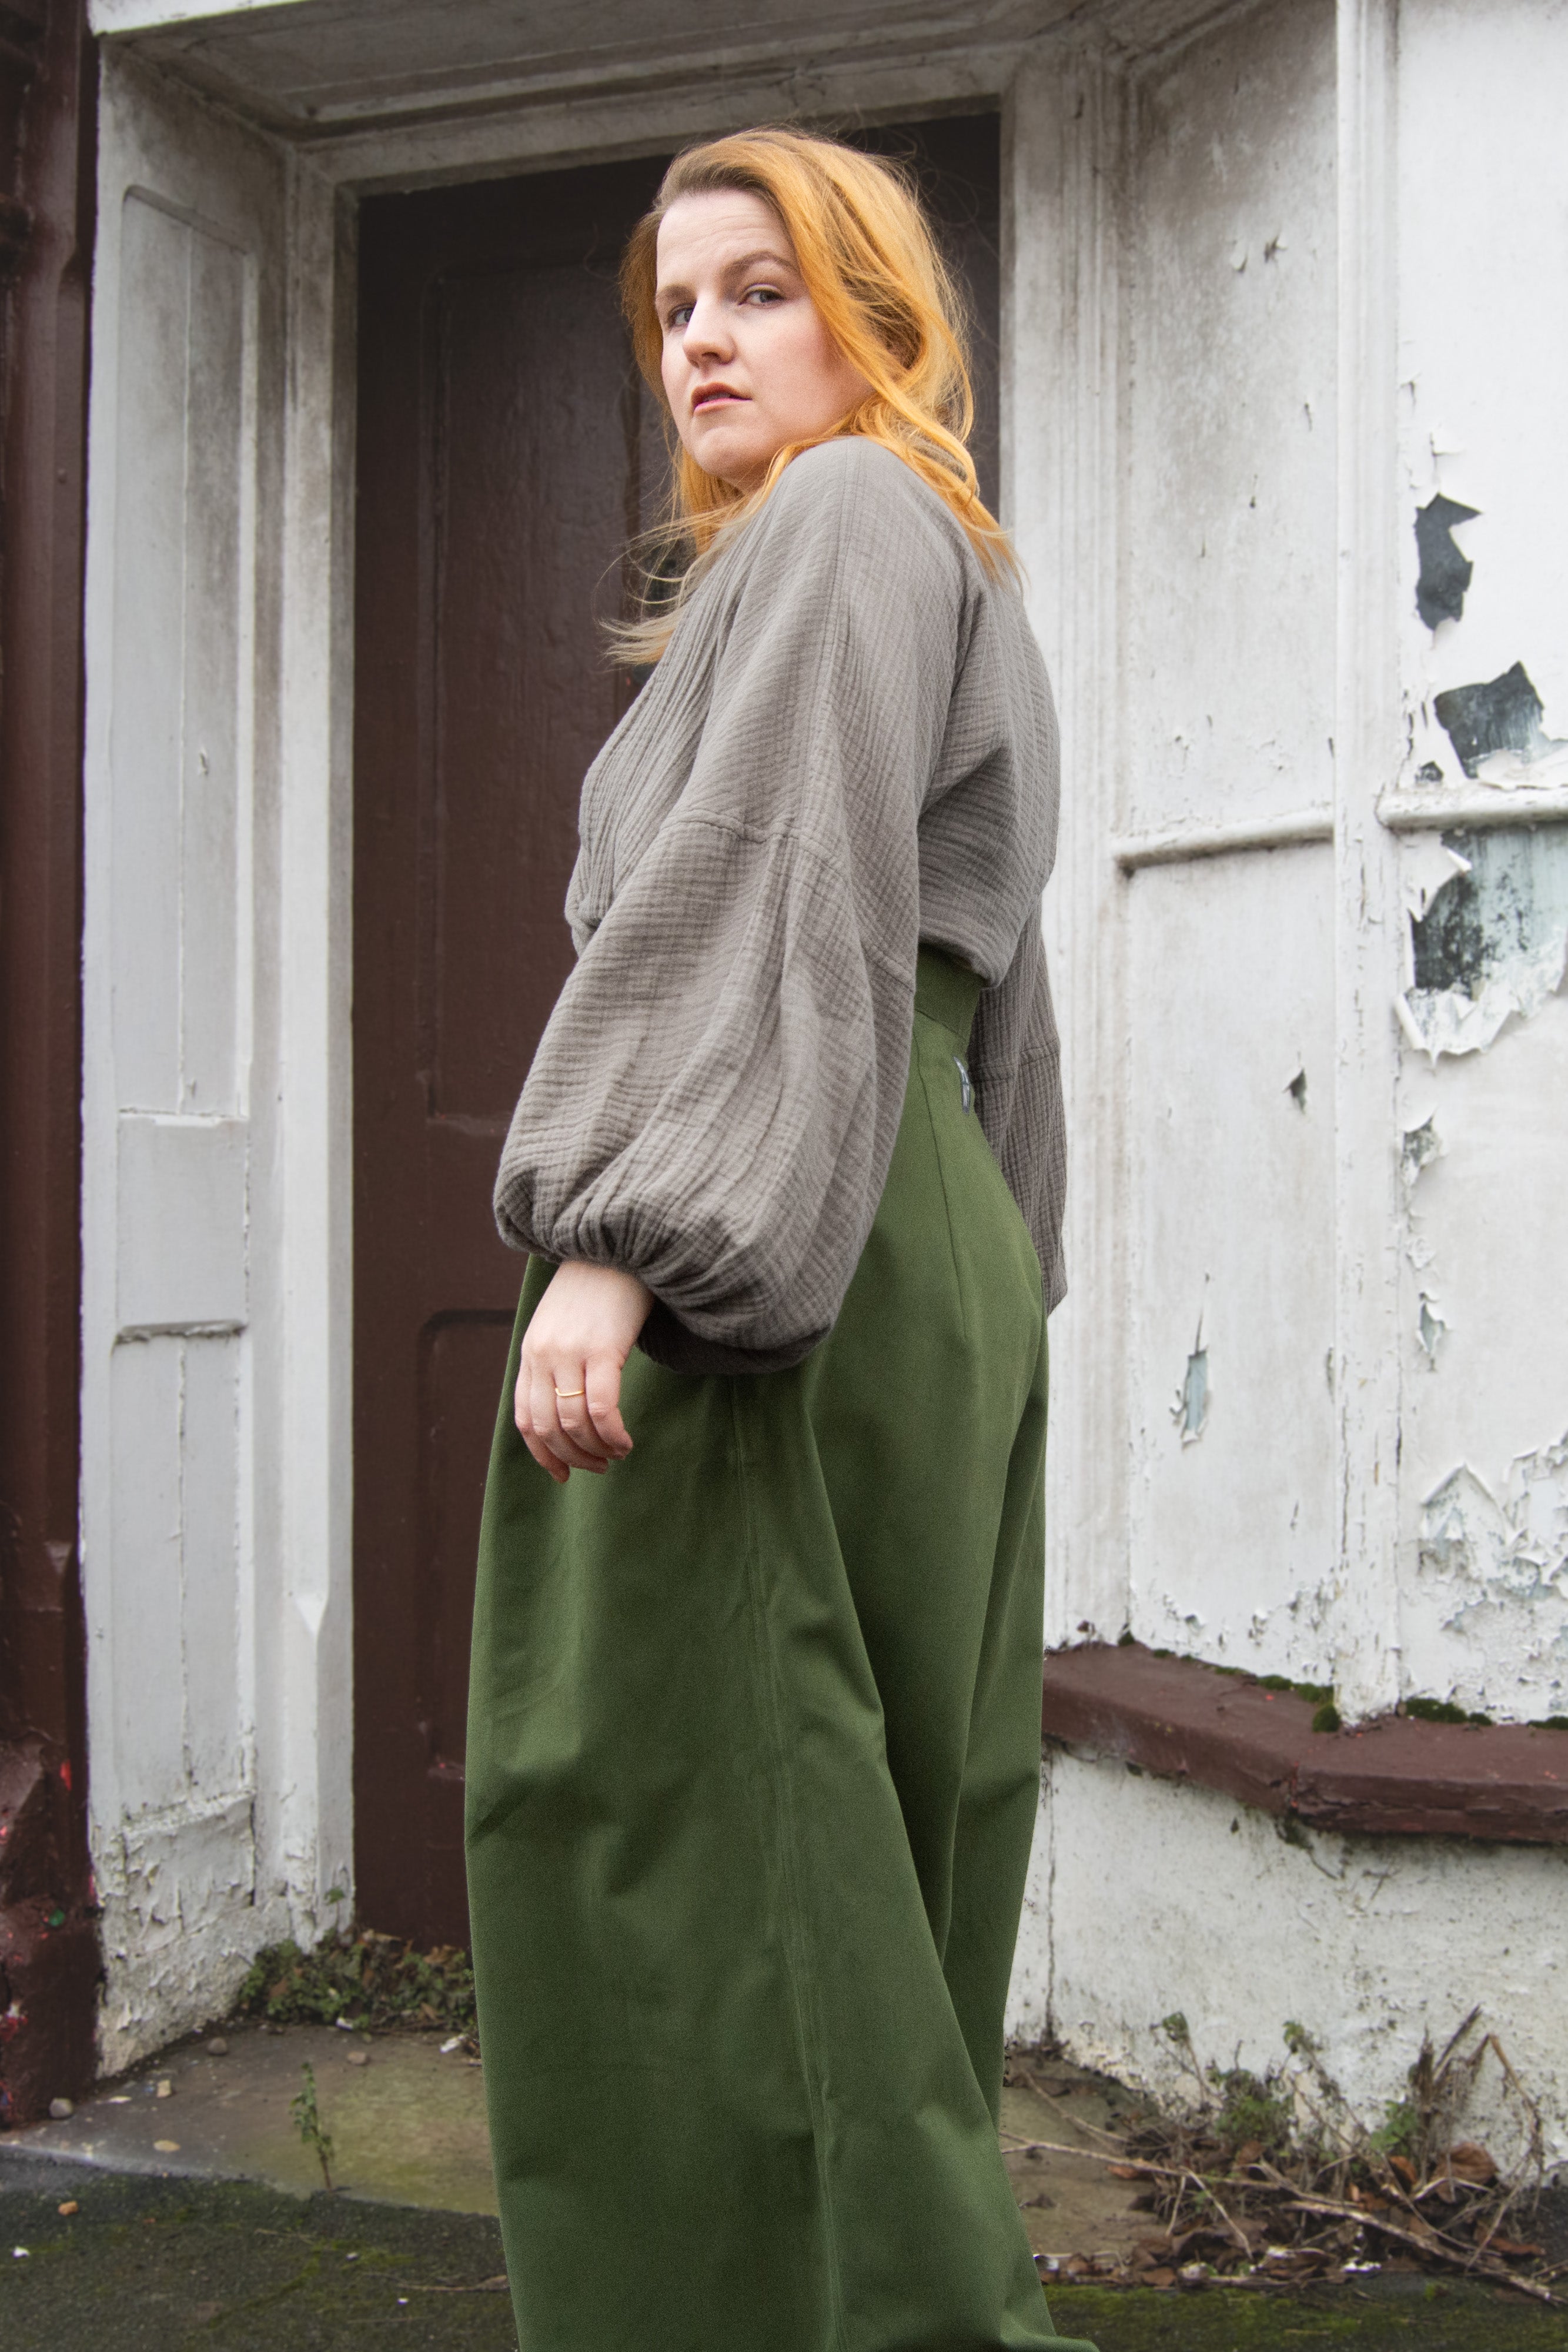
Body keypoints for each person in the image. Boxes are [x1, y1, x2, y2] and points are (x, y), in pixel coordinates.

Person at [464, 125, 1091, 2352]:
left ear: (879, 317)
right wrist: (990, 1294)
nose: (702, 339)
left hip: (767, 1237)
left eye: (762, 289)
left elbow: (781, 888)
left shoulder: (845, 515)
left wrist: (628, 1240)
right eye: (675, 306)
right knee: (860, 1853)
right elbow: (993, 997)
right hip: (897, 1229)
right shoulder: (940, 554)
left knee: (688, 1837)